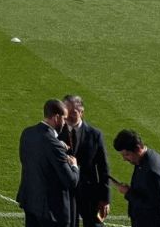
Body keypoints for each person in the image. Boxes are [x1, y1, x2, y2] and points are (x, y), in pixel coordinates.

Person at [17, 99, 79, 227]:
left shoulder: (27, 133)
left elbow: (29, 160)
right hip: (51, 212)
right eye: (64, 118)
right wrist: (74, 165)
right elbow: (71, 180)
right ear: (56, 117)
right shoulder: (53, 143)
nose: (65, 123)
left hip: (30, 201)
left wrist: (58, 146)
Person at [111, 129, 160, 227]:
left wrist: (129, 193)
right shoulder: (145, 160)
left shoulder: (152, 171)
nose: (124, 159)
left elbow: (157, 211)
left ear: (137, 148)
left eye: (127, 154)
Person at [61, 95, 110, 226]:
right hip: (65, 192)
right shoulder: (56, 133)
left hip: (89, 193)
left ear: (82, 112)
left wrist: (105, 198)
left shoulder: (95, 134)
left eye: (73, 113)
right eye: (67, 112)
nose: (69, 116)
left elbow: (103, 167)